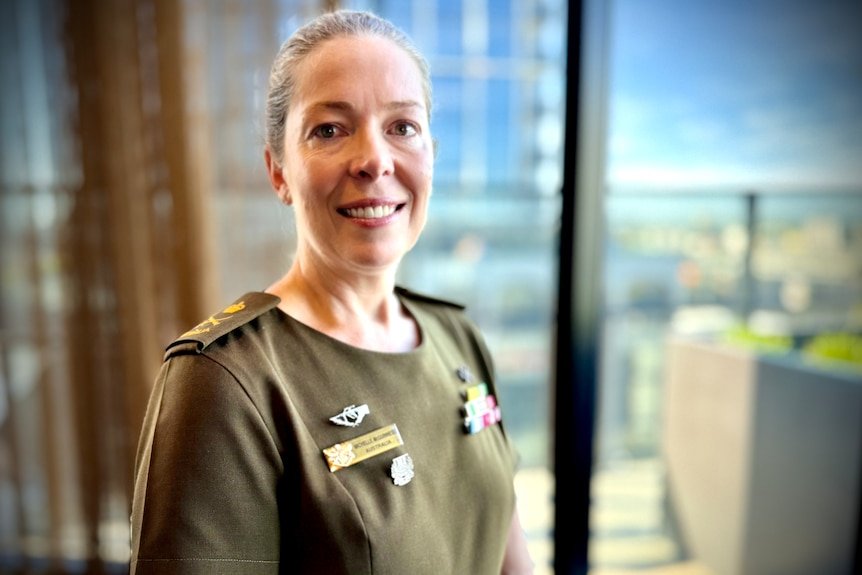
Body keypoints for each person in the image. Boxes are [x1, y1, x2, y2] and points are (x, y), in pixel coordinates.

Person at [129, 9, 533, 575]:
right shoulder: (227, 380)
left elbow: (511, 556)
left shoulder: (458, 339)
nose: (374, 160)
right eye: (329, 130)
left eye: (402, 126)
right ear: (279, 172)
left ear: (431, 157)